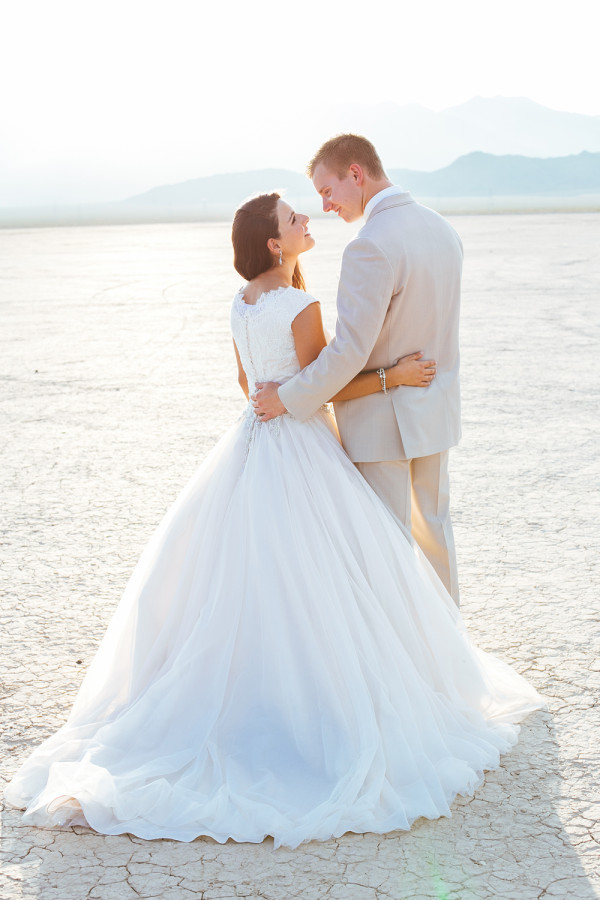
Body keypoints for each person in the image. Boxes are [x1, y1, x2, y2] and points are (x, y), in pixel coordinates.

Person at [5, 193, 543, 850]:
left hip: (253, 444)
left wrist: (271, 396)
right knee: (324, 583)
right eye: (294, 220)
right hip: (300, 445)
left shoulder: (242, 303)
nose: (305, 223)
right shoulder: (297, 304)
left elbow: (247, 384)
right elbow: (326, 382)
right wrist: (393, 377)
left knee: (244, 583)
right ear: (273, 244)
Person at [253, 135, 462, 604]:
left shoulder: (369, 246)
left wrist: (286, 397)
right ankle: (450, 654)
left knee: (385, 551)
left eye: (327, 190)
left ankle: (403, 663)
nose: (324, 205)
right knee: (436, 537)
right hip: (436, 409)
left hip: (382, 421)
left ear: (355, 173)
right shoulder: (442, 229)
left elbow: (348, 351)